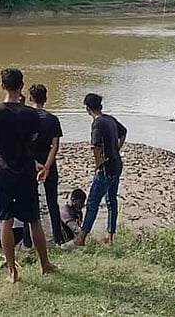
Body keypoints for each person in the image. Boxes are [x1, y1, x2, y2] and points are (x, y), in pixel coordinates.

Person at [0, 67, 59, 283]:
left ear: (2, 86)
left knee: (5, 220)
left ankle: (12, 272)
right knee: (34, 220)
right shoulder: (31, 114)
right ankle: (45, 265)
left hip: (2, 171)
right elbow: (32, 140)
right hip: (26, 171)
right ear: (22, 86)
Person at [76, 93, 127, 247]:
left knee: (92, 202)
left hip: (105, 168)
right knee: (111, 201)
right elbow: (123, 132)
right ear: (100, 106)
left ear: (87, 108)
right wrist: (116, 148)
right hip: (116, 164)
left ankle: (82, 238)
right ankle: (109, 236)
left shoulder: (97, 123)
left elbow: (96, 146)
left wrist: (98, 165)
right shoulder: (110, 119)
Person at [28, 83, 64, 245]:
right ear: (46, 99)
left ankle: (28, 241)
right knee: (52, 202)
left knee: (29, 201)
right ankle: (58, 238)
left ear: (30, 98)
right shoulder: (52, 119)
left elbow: (23, 144)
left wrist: (35, 163)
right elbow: (55, 145)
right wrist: (47, 167)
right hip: (49, 162)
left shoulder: (25, 117)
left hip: (30, 163)